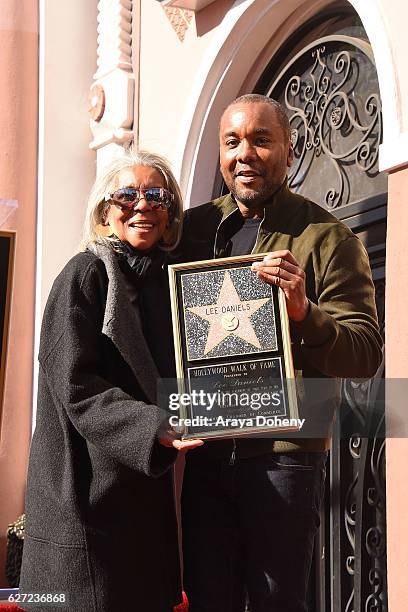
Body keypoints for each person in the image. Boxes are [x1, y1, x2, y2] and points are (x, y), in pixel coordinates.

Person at [177, 94, 383, 611]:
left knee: (277, 602)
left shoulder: (329, 238)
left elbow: (364, 353)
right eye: (232, 141)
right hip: (205, 454)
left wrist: (302, 311)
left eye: (261, 139)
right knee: (206, 600)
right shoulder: (192, 232)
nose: (244, 152)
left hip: (283, 461)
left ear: (289, 151)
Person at [19, 149, 202, 611]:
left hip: (140, 501)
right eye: (126, 195)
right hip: (84, 498)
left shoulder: (164, 286)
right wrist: (152, 425)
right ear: (104, 214)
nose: (142, 205)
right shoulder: (85, 273)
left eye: (156, 196)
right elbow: (74, 383)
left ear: (170, 215)